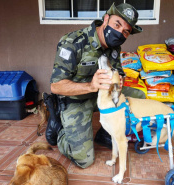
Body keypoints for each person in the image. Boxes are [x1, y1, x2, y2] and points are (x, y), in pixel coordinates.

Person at [49, 2, 145, 169]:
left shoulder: (115, 47)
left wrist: (119, 82)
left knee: (139, 97)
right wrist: (91, 86)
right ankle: (58, 128)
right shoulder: (73, 42)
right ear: (106, 19)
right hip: (75, 99)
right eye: (117, 24)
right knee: (84, 160)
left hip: (102, 96)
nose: (120, 32)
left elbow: (118, 73)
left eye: (126, 31)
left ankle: (104, 134)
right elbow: (56, 86)